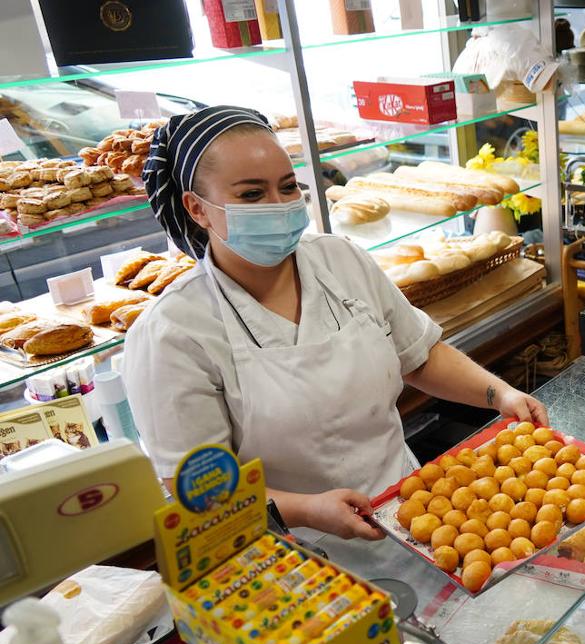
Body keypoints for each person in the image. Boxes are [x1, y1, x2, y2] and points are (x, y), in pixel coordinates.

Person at [122, 105, 547, 542]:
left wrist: (499, 394)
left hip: (415, 513)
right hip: (297, 552)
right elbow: (197, 488)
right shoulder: (173, 333)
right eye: (252, 195)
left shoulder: (339, 260)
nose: (278, 205)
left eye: (288, 188)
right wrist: (306, 509)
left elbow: (418, 355)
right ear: (197, 209)